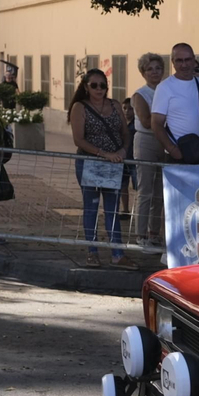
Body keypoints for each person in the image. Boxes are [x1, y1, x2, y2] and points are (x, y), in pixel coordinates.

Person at [70, 68, 131, 267]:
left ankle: (117, 253)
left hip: (114, 163)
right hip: (90, 162)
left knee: (112, 209)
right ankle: (92, 251)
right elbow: (78, 139)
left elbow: (125, 132)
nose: (99, 89)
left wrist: (123, 150)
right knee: (91, 207)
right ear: (86, 87)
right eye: (94, 85)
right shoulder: (80, 107)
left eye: (103, 85)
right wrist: (104, 154)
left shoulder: (114, 105)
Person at [152, 42, 199, 164]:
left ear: (194, 60)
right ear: (172, 62)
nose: (184, 65)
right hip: (180, 156)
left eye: (187, 60)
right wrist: (173, 150)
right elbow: (156, 123)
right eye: (179, 61)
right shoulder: (164, 87)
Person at [128, 52, 168, 246]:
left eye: (158, 68)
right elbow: (145, 121)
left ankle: (154, 233)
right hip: (146, 140)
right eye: (150, 69)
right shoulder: (140, 94)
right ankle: (141, 234)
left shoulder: (167, 90)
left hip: (165, 140)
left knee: (160, 190)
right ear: (143, 72)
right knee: (145, 189)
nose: (154, 72)